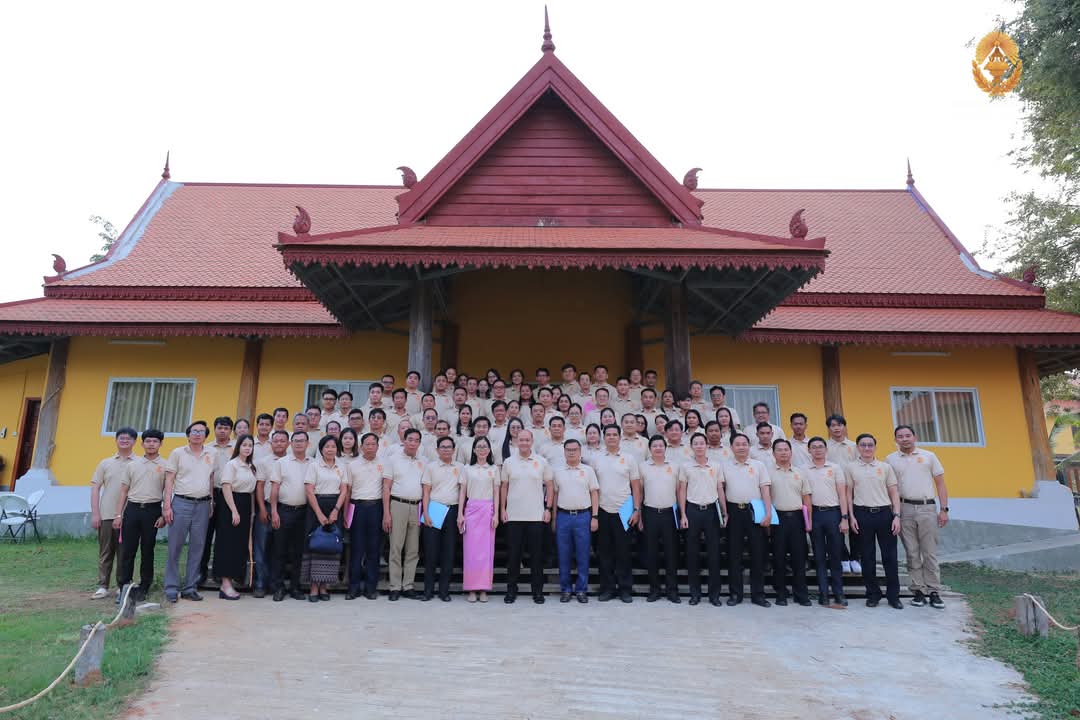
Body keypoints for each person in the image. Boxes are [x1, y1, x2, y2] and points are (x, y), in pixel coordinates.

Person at [886, 425, 949, 610]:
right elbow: (890, 487)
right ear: (895, 439)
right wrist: (894, 512)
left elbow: (940, 484)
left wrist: (944, 509)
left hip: (927, 507)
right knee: (912, 552)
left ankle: (934, 591)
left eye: (908, 435)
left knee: (929, 552)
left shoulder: (929, 456)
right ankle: (918, 591)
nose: (904, 439)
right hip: (904, 508)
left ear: (915, 437)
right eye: (900, 436)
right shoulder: (890, 459)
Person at [847, 433, 903, 610]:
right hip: (862, 514)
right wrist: (851, 517)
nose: (867, 448)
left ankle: (893, 596)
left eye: (870, 445)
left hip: (884, 514)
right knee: (867, 557)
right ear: (858, 448)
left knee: (890, 557)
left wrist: (896, 516)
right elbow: (848, 494)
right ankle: (873, 594)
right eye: (863, 445)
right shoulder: (850, 467)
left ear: (875, 447)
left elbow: (894, 492)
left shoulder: (885, 467)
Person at [163, 421, 215, 603]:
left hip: (203, 505)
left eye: (201, 431)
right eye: (194, 431)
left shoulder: (211, 453)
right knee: (175, 547)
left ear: (206, 436)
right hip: (181, 503)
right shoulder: (178, 453)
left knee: (197, 547)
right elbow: (169, 479)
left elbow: (211, 478)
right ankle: (171, 587)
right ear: (188, 434)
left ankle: (190, 587)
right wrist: (167, 506)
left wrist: (211, 501)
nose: (197, 434)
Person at [500, 430, 554, 604]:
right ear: (516, 441)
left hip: (536, 516)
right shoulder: (508, 462)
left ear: (532, 441)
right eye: (521, 439)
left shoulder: (541, 461)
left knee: (536, 557)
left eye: (527, 440)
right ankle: (511, 590)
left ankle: (537, 591)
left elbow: (550, 486)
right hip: (514, 516)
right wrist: (502, 509)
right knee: (513, 556)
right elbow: (504, 487)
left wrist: (548, 508)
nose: (524, 442)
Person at [113, 429, 165, 603]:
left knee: (147, 550)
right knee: (128, 550)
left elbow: (168, 492)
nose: (151, 444)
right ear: (142, 444)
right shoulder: (132, 465)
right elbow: (123, 492)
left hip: (153, 511)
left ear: (160, 444)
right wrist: (118, 515)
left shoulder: (166, 465)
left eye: (155, 441)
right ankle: (124, 586)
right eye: (148, 441)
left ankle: (144, 587)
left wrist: (163, 515)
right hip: (133, 509)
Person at [591, 424, 641, 602]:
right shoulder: (596, 459)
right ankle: (607, 588)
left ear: (620, 437)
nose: (611, 437)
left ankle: (625, 589)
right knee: (604, 553)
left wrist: (636, 510)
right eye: (608, 435)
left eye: (614, 434)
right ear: (604, 438)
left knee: (623, 552)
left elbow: (636, 486)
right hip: (603, 509)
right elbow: (593, 488)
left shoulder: (629, 459)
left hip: (624, 510)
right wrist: (594, 514)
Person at [678, 432, 726, 606]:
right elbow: (682, 490)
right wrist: (683, 514)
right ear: (691, 446)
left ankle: (714, 595)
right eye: (696, 443)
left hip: (711, 511)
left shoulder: (716, 465)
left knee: (714, 554)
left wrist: (725, 512)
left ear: (707, 446)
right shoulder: (685, 466)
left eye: (702, 443)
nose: (699, 446)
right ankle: (695, 594)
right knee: (692, 554)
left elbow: (720, 489)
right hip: (692, 510)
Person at [724, 433, 772, 607]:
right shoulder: (725, 466)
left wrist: (768, 513)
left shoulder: (758, 465)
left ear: (749, 446)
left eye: (744, 444)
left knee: (757, 553)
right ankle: (735, 594)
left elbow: (765, 490)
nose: (741, 447)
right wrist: (724, 513)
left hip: (754, 511)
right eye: (737, 444)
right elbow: (721, 490)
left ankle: (758, 595)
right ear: (731, 447)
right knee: (734, 554)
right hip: (733, 511)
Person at [90, 427, 137, 599]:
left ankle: (122, 585)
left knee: (125, 552)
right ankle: (102, 585)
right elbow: (95, 488)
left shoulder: (139, 463)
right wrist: (96, 513)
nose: (124, 441)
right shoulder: (105, 463)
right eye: (121, 438)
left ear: (134, 441)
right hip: (107, 514)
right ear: (116, 440)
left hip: (130, 514)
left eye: (128, 438)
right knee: (105, 551)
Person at [551, 439, 599, 603]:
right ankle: (565, 589)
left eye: (574, 450)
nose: (571, 452)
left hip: (583, 516)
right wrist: (554, 518)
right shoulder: (558, 471)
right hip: (563, 516)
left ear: (580, 452)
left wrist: (595, 516)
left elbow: (594, 493)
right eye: (568, 450)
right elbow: (555, 495)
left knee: (583, 554)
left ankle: (581, 589)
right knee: (563, 554)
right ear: (564, 452)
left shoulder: (588, 471)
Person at [302, 435, 348, 602]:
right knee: (316, 545)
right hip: (317, 506)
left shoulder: (341, 466)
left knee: (330, 546)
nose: (330, 449)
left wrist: (336, 510)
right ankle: (314, 587)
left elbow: (344, 490)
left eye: (333, 446)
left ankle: (324, 586)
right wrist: (319, 513)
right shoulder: (314, 466)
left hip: (335, 507)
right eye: (327, 447)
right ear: (321, 449)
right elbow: (309, 491)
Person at [382, 428, 426, 600]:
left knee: (413, 549)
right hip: (397, 505)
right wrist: (386, 513)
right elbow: (386, 487)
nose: (413, 443)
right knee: (396, 547)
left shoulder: (423, 461)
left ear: (419, 443)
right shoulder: (393, 460)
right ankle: (395, 587)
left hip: (416, 506)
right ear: (404, 441)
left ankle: (408, 586)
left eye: (416, 440)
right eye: (410, 439)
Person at [767, 439, 812, 607]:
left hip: (797, 519)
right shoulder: (768, 473)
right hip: (777, 519)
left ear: (791, 452)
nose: (783, 452)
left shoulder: (800, 473)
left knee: (799, 558)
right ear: (774, 453)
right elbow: (766, 498)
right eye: (779, 450)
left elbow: (806, 498)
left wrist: (808, 522)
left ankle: (801, 594)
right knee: (778, 558)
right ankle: (781, 593)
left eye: (786, 449)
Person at [805, 436, 849, 606]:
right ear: (809, 450)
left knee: (835, 555)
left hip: (834, 514)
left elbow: (842, 495)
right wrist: (808, 520)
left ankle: (839, 593)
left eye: (820, 446)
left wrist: (844, 518)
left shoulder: (835, 468)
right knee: (819, 556)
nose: (817, 450)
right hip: (815, 514)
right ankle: (823, 593)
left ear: (826, 449)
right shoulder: (804, 469)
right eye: (814, 447)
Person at [270, 431, 312, 601]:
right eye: (295, 441)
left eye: (302, 441)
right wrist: (274, 511)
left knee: (298, 552)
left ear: (308, 443)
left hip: (304, 512)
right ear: (290, 443)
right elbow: (274, 489)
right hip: (284, 511)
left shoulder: (313, 463)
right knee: (279, 551)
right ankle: (279, 587)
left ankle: (295, 587)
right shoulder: (281, 463)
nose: (299, 443)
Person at [420, 436, 463, 601]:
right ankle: (428, 591)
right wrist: (426, 513)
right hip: (434, 509)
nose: (446, 449)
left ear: (454, 450)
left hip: (452, 511)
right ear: (437, 450)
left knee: (449, 552)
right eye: (443, 447)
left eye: (449, 447)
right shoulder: (431, 467)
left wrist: (460, 513)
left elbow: (462, 492)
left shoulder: (460, 467)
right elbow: (426, 492)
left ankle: (444, 591)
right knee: (431, 553)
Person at [216, 434, 258, 600]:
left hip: (246, 505)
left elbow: (252, 491)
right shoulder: (232, 464)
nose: (247, 448)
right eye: (244, 445)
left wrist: (252, 512)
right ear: (238, 447)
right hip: (231, 504)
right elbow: (226, 487)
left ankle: (233, 579)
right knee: (228, 544)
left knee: (239, 545)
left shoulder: (251, 466)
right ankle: (225, 584)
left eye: (250, 445)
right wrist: (234, 510)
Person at [639, 435, 680, 603]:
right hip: (650, 513)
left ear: (665, 448)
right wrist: (639, 515)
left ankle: (672, 590)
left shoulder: (674, 467)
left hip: (670, 513)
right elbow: (640, 493)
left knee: (671, 553)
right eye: (654, 446)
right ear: (650, 449)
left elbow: (679, 491)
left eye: (660, 445)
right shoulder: (643, 467)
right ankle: (654, 589)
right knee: (651, 553)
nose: (658, 448)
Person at [345, 432, 386, 600]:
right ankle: (353, 588)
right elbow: (348, 491)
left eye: (373, 444)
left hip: (376, 508)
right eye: (367, 444)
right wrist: (345, 513)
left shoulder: (384, 464)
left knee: (373, 550)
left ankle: (370, 588)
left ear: (377, 446)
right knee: (356, 549)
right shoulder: (352, 465)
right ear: (361, 447)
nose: (370, 447)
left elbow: (386, 489)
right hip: (357, 508)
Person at [459, 436, 500, 602]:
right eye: (479, 446)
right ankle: (471, 588)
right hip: (471, 510)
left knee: (486, 552)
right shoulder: (467, 469)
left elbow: (496, 493)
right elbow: (462, 492)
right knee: (471, 552)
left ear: (489, 450)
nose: (482, 449)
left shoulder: (494, 469)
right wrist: (460, 514)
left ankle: (483, 588)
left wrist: (496, 514)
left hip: (487, 510)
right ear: (474, 450)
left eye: (485, 446)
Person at [253, 429, 289, 598]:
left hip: (286, 508)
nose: (279, 444)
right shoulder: (263, 462)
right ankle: (260, 583)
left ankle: (276, 584)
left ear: (288, 443)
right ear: (271, 443)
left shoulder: (293, 461)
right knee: (262, 546)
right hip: (266, 508)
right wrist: (261, 508)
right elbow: (260, 486)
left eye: (282, 441)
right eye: (276, 441)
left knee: (280, 548)